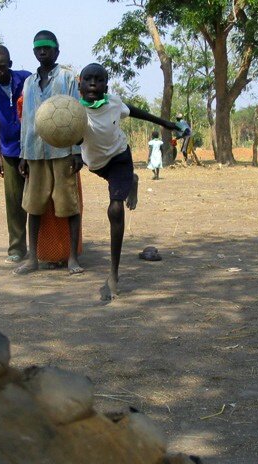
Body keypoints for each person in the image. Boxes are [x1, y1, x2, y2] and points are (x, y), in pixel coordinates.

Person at [78, 63, 178, 300]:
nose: (93, 83)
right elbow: (65, 133)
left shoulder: (113, 103)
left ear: (106, 85)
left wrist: (165, 123)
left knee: (115, 208)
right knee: (119, 187)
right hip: (96, 165)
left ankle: (113, 273)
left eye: (99, 80)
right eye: (88, 79)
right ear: (79, 83)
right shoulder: (72, 109)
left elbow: (135, 111)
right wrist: (72, 155)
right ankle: (131, 181)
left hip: (120, 157)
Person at [15, 30, 84, 275]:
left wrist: (77, 150)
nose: (42, 51)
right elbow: (26, 121)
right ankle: (33, 258)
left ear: (57, 50)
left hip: (62, 151)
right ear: (34, 52)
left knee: (68, 205)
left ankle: (72, 258)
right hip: (34, 151)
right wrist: (23, 154)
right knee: (34, 206)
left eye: (47, 47)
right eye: (38, 48)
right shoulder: (29, 82)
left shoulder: (66, 77)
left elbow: (77, 114)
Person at [0, 45, 32, 264]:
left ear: (10, 65)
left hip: (33, 148)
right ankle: (17, 248)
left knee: (39, 200)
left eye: (2, 67)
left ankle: (45, 247)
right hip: (9, 150)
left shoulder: (26, 80)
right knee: (14, 201)